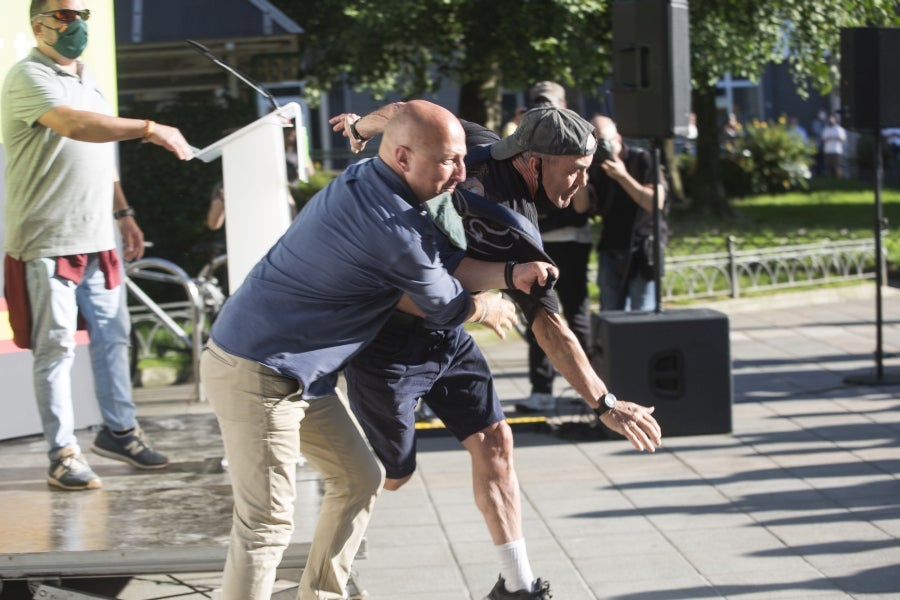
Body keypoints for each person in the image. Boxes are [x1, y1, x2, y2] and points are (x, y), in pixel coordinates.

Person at [200, 100, 554, 600]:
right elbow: (447, 305)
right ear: (404, 158)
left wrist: (513, 276)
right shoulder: (392, 226)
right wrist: (490, 307)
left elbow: (444, 271)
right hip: (255, 374)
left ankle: (321, 594)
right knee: (266, 525)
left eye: (461, 159)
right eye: (447, 162)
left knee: (359, 477)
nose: (459, 174)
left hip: (296, 376)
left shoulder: (371, 173)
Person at [331, 104, 663, 600]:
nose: (579, 184)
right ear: (534, 161)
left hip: (448, 334)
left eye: (586, 171)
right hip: (388, 342)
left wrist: (359, 128)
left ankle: (518, 585)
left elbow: (406, 111)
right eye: (572, 170)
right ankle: (328, 561)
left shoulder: (478, 140)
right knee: (389, 475)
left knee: (495, 443)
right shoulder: (515, 225)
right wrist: (605, 404)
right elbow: (552, 329)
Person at [2, 0, 193, 491]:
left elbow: (98, 151)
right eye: (66, 15)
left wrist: (123, 213)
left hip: (97, 236)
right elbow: (76, 126)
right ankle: (62, 453)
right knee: (56, 348)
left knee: (114, 340)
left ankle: (119, 431)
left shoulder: (89, 78)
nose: (78, 24)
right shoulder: (27, 77)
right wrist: (150, 127)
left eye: (83, 14)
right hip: (48, 239)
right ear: (37, 24)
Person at [515, 81, 594, 414]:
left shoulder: (578, 139)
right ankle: (542, 388)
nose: (544, 111)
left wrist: (573, 173)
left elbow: (581, 205)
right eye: (538, 105)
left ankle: (585, 388)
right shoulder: (523, 141)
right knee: (538, 314)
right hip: (538, 239)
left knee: (574, 314)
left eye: (550, 105)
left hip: (570, 241)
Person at [577, 115, 668, 312]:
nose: (601, 147)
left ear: (618, 138)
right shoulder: (594, 167)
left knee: (642, 313)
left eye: (604, 140)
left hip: (644, 248)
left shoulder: (642, 158)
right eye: (595, 142)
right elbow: (580, 207)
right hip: (611, 247)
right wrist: (580, 173)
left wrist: (623, 177)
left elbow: (656, 203)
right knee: (611, 314)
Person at [820, 113, 847, 178]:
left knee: (837, 166)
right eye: (829, 119)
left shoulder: (839, 129)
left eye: (832, 119)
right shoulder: (826, 129)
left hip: (836, 151)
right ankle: (829, 180)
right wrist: (829, 138)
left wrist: (833, 138)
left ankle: (839, 179)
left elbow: (843, 139)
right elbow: (823, 139)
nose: (830, 120)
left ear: (835, 120)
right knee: (828, 166)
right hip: (827, 150)